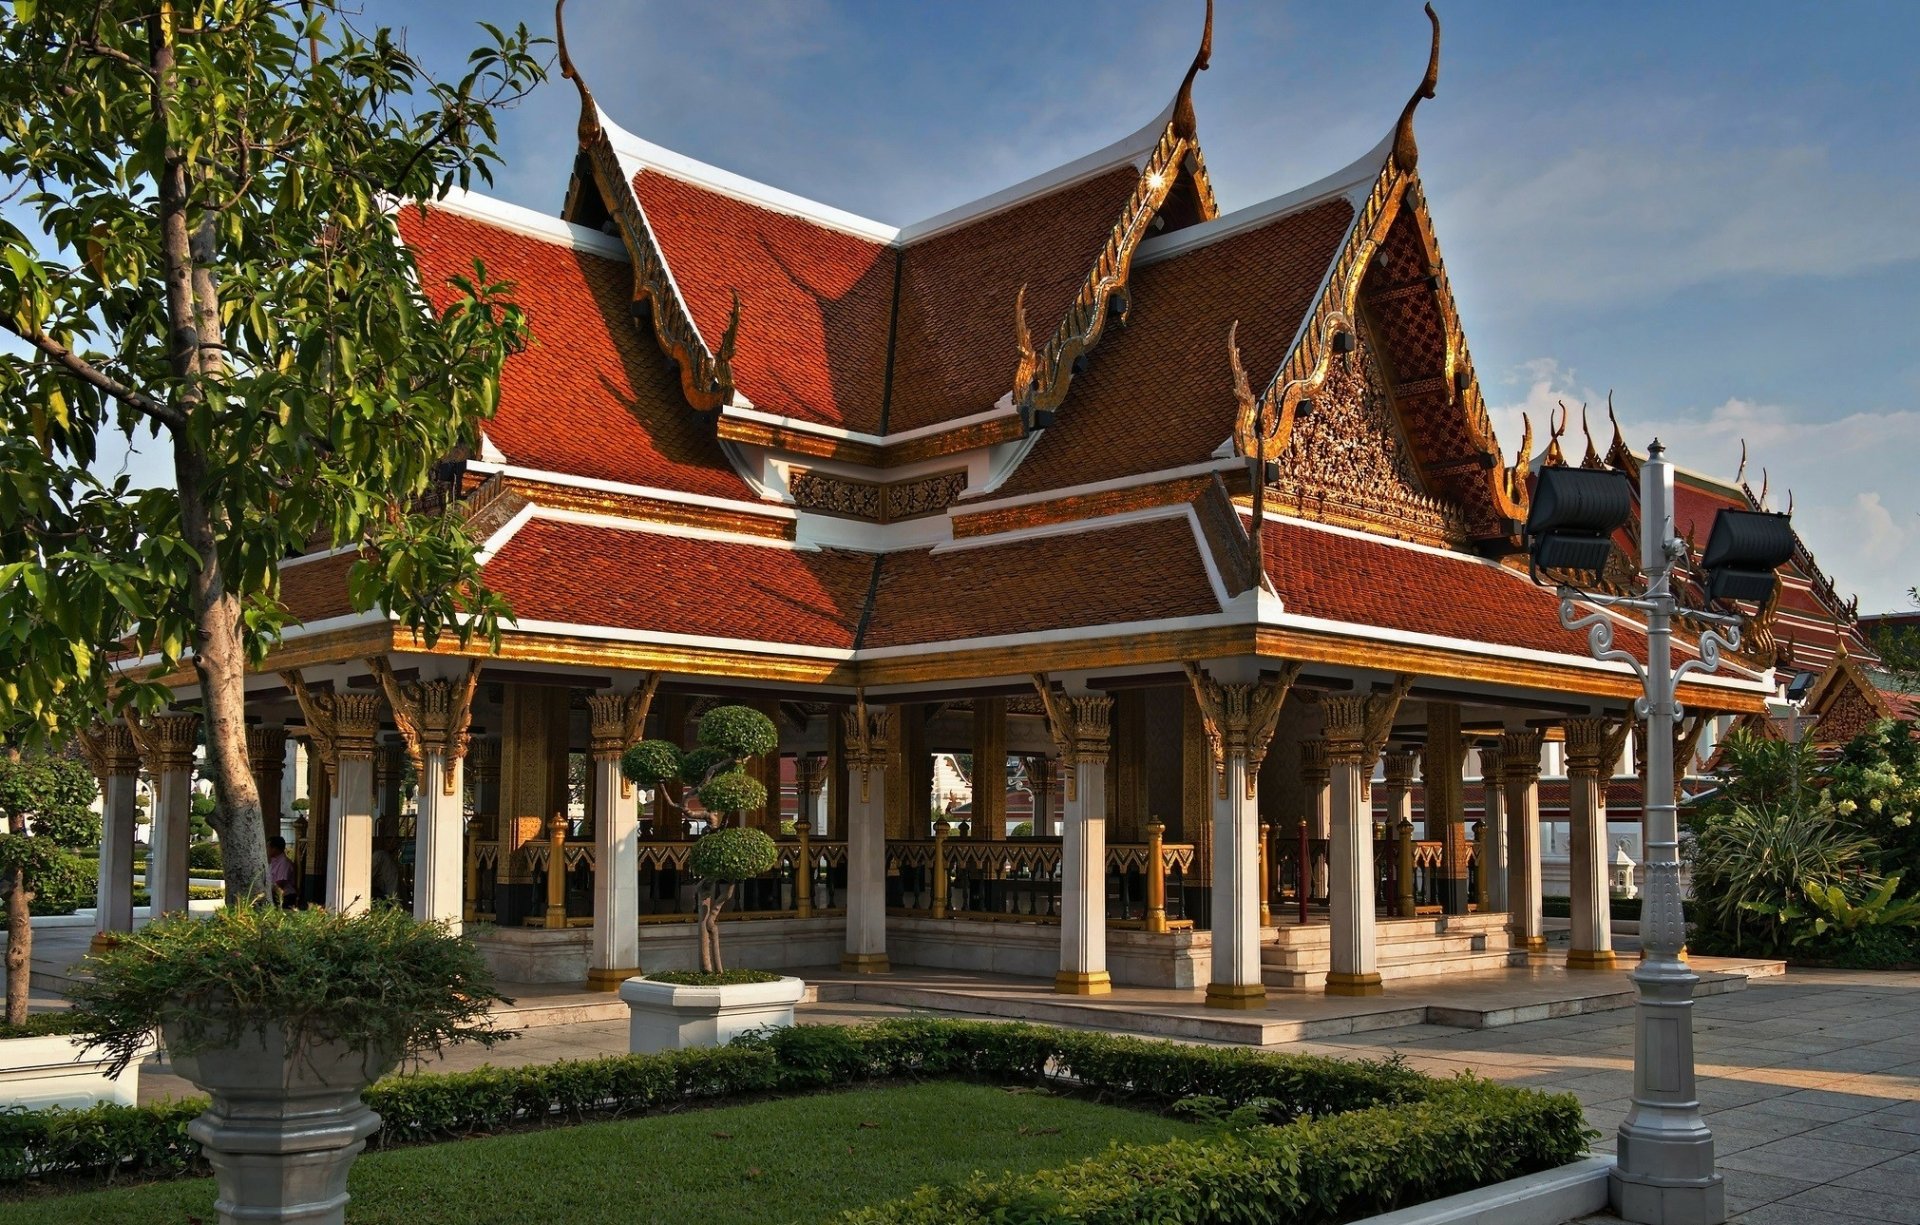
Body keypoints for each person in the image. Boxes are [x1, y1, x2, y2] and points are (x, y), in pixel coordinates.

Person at [266, 836, 297, 907]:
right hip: (275, 894)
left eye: (268, 847)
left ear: (275, 849)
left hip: (285, 897)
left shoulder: (284, 862)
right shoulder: (274, 861)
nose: (267, 850)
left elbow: (280, 883)